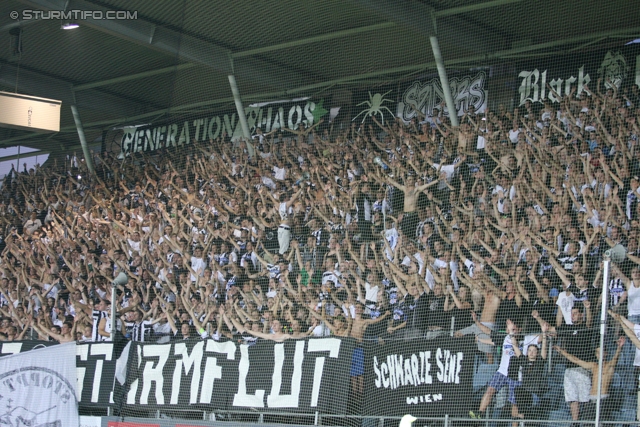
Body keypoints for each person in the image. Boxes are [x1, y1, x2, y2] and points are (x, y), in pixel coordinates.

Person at [469, 316, 523, 425]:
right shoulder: (505, 338)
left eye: (513, 329)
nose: (511, 331)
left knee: (514, 403)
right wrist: (476, 323)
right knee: (490, 390)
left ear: (520, 329)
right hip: (502, 372)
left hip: (517, 375)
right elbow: (488, 332)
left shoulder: (525, 339)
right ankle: (479, 414)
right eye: (510, 329)